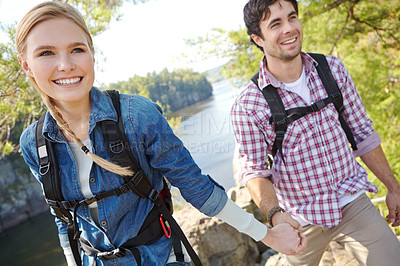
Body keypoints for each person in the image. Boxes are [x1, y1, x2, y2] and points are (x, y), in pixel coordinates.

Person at [16, 1, 307, 265]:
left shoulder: (136, 117)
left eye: (77, 49)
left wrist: (266, 235)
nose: (65, 65)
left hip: (160, 258)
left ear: (92, 53)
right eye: (46, 53)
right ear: (26, 65)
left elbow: (196, 187)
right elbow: (63, 218)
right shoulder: (34, 143)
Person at [231, 0, 400, 265]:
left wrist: (393, 187)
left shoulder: (333, 70)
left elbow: (363, 133)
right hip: (298, 219)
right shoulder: (249, 105)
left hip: (352, 201)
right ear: (257, 38)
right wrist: (276, 215)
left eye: (292, 17)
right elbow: (254, 170)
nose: (289, 28)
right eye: (275, 24)